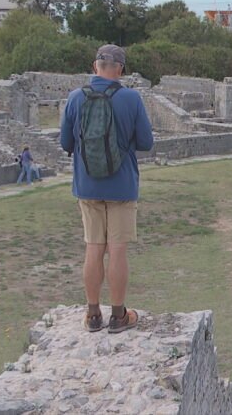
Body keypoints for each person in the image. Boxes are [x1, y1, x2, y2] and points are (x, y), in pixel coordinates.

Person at [60, 44, 154, 334]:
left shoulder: (75, 98)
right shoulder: (131, 98)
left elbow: (66, 144)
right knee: (118, 250)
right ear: (120, 69)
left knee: (93, 248)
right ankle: (118, 316)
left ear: (95, 66)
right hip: (122, 185)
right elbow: (146, 142)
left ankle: (92, 315)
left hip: (87, 185)